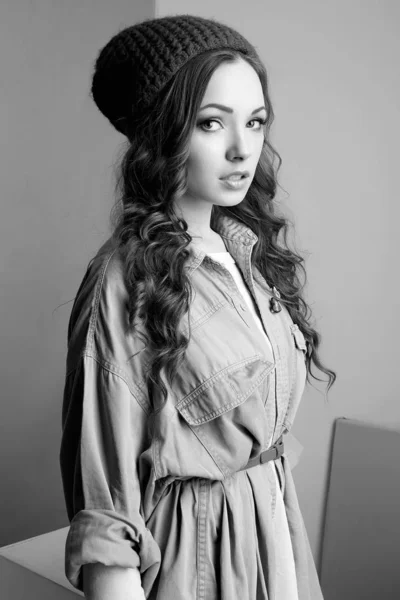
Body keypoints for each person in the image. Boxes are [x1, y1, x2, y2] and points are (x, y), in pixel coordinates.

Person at [59, 14, 336, 600]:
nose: (243, 148)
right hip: (194, 564)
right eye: (211, 123)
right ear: (162, 133)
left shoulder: (251, 257)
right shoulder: (124, 282)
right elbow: (107, 510)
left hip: (277, 543)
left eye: (256, 122)